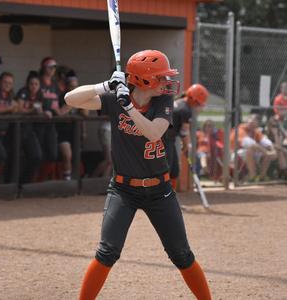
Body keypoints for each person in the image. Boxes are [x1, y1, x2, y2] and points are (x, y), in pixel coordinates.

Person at [64, 49, 211, 300]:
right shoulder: (115, 97)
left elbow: (154, 132)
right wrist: (105, 86)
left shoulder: (164, 99)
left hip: (160, 191)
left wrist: (129, 107)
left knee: (181, 254)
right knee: (107, 252)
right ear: (144, 80)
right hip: (123, 190)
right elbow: (70, 99)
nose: (166, 82)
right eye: (161, 77)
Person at [165, 83, 209, 190]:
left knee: (174, 171)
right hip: (164, 140)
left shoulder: (180, 103)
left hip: (168, 139)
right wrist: (186, 145)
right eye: (198, 103)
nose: (198, 106)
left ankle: (172, 200)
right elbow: (184, 133)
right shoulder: (185, 109)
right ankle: (165, 201)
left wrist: (185, 145)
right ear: (193, 100)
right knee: (167, 171)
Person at [56, 70, 88, 180]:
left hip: (75, 131)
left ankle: (75, 179)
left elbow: (85, 113)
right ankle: (67, 180)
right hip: (62, 131)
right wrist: (72, 103)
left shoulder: (79, 97)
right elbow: (60, 112)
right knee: (67, 155)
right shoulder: (61, 97)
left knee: (76, 157)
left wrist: (83, 131)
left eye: (75, 87)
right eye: (71, 87)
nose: (73, 89)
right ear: (66, 87)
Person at [15, 71, 45, 184]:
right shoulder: (23, 92)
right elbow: (18, 108)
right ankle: (14, 183)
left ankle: (25, 183)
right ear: (28, 84)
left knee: (37, 155)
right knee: (13, 157)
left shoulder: (39, 95)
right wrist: (31, 110)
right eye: (31, 84)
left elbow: (40, 111)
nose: (34, 86)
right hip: (17, 129)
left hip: (30, 130)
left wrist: (41, 112)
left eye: (36, 84)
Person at [230, 114, 276, 182]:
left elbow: (266, 142)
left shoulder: (255, 131)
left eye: (254, 122)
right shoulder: (240, 129)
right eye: (250, 122)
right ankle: (253, 176)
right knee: (251, 149)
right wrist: (266, 152)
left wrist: (272, 150)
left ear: (257, 125)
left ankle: (262, 176)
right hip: (235, 154)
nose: (251, 124)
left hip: (249, 153)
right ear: (247, 121)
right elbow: (250, 144)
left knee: (267, 154)